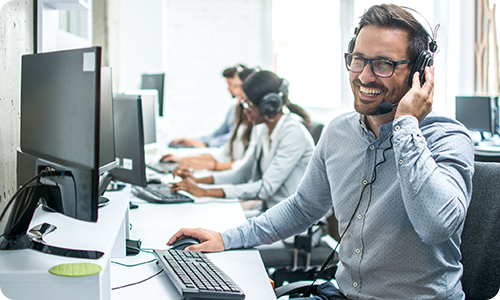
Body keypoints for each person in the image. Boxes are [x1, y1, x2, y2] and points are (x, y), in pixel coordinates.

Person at [167, 4, 475, 300]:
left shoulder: (447, 138)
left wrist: (406, 125)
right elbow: (303, 208)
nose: (364, 76)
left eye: (383, 64)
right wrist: (226, 238)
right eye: (358, 60)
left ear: (419, 73)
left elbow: (436, 226)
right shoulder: (339, 131)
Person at [171, 70, 315, 214]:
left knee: (219, 225)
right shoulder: (263, 129)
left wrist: (204, 192)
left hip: (295, 221)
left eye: (248, 104)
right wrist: (197, 180)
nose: (244, 111)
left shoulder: (293, 132)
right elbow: (242, 174)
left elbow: (265, 188)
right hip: (272, 212)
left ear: (268, 105)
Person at [160, 68, 256, 171]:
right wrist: (183, 156)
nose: (232, 90)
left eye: (236, 86)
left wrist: (205, 148)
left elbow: (242, 165)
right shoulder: (236, 111)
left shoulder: (255, 124)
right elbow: (222, 146)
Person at [168, 64, 248, 148]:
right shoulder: (234, 109)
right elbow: (218, 134)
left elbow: (235, 138)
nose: (229, 89)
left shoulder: (249, 111)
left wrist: (207, 144)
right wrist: (193, 141)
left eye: (232, 85)